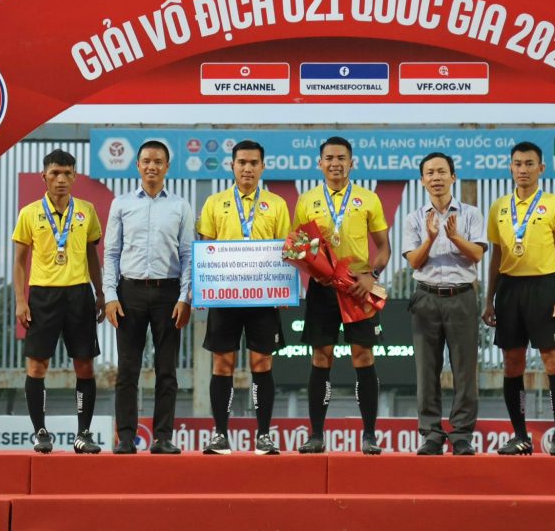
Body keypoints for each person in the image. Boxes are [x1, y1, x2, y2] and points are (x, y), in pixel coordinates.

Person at [294, 136, 391, 455]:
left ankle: (369, 436)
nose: (335, 163)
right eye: (329, 158)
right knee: (321, 357)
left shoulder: (368, 199)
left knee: (363, 357)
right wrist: (315, 269)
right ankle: (316, 435)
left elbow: (384, 247)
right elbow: (299, 247)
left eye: (341, 158)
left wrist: (371, 276)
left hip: (357, 289)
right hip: (322, 290)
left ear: (352, 163)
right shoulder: (307, 200)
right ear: (319, 163)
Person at [482, 141, 555, 456]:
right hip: (509, 290)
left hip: (543, 288)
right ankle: (520, 435)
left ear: (541, 168)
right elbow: (496, 256)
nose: (523, 169)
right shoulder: (498, 207)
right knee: (512, 364)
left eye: (529, 164)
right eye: (517, 164)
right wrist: (488, 299)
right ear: (510, 167)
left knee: (553, 361)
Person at [195, 140, 291, 456]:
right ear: (232, 166)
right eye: (241, 162)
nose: (247, 168)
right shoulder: (214, 203)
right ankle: (220, 435)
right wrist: (204, 288)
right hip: (225, 296)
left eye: (253, 163)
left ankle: (263, 435)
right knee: (223, 364)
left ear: (263, 166)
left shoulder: (276, 204)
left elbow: (286, 252)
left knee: (261, 362)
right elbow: (206, 248)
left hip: (263, 297)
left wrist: (282, 286)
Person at [103, 140, 193, 455]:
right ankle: (125, 437)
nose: (152, 166)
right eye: (146, 161)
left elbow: (187, 255)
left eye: (158, 161)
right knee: (127, 369)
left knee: (166, 369)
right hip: (129, 293)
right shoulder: (121, 204)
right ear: (137, 166)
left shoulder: (180, 206)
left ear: (167, 167)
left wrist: (185, 297)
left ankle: (163, 437)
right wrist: (110, 295)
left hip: (168, 293)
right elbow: (111, 253)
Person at [12, 149, 105, 454]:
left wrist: (101, 292)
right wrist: (20, 301)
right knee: (37, 366)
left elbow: (93, 255)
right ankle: (40, 432)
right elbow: (20, 261)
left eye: (67, 173)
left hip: (79, 294)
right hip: (42, 296)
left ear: (75, 176)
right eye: (55, 173)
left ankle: (84, 434)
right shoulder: (28, 213)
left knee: (85, 366)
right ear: (44, 176)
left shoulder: (87, 211)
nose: (61, 179)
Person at [403, 152, 487, 456]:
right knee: (426, 370)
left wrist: (453, 237)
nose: (436, 178)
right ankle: (432, 434)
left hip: (462, 296)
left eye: (442, 171)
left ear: (453, 176)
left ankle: (462, 434)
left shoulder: (471, 214)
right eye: (430, 173)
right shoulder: (414, 218)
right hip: (426, 297)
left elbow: (476, 254)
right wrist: (430, 238)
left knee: (465, 370)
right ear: (422, 180)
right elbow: (413, 260)